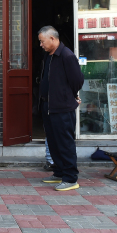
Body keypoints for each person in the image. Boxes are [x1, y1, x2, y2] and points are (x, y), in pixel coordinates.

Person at [37, 26, 84, 191]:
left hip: (62, 107)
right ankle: (59, 172)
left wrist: (69, 96)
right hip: (49, 106)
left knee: (65, 143)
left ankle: (70, 178)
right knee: (54, 141)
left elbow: (77, 80)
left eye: (42, 41)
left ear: (52, 39)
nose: (41, 45)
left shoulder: (66, 55)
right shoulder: (49, 56)